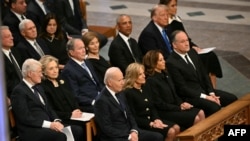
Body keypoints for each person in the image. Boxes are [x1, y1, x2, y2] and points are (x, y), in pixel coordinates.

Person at [166, 30, 238, 116]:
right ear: (174, 45)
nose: (187, 43)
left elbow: (204, 74)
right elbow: (183, 88)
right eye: (182, 41)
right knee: (215, 107)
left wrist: (212, 93)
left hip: (205, 91)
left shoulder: (192, 52)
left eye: (187, 40)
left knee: (233, 99)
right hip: (192, 96)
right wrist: (207, 97)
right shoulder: (171, 62)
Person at [10, 58, 84, 141]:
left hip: (48, 125)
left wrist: (57, 121)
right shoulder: (19, 91)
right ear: (30, 74)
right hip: (32, 129)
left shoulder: (38, 88)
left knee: (77, 130)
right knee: (60, 136)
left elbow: (49, 108)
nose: (41, 75)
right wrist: (50, 125)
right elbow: (25, 118)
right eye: (39, 72)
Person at [159, 0, 223, 88]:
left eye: (176, 5)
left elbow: (186, 38)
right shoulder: (165, 24)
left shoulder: (176, 20)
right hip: (179, 52)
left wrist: (194, 46)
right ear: (165, 7)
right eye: (172, 6)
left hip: (186, 48)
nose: (175, 8)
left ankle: (213, 88)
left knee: (210, 56)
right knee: (204, 58)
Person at [94, 67, 164, 141]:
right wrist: (129, 136)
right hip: (115, 137)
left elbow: (130, 115)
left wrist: (134, 130)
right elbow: (107, 128)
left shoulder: (120, 93)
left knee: (157, 137)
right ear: (110, 82)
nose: (123, 82)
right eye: (119, 80)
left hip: (129, 131)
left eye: (123, 79)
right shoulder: (101, 101)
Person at [142, 50, 205, 130]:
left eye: (163, 59)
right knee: (195, 118)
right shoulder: (151, 81)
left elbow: (174, 93)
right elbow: (159, 104)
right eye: (161, 60)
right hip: (165, 111)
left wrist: (181, 103)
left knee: (201, 112)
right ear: (153, 63)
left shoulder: (165, 74)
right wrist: (178, 108)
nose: (164, 62)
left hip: (175, 106)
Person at [123, 63, 180, 141]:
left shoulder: (145, 87)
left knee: (176, 127)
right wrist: (151, 123)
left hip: (152, 120)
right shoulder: (128, 93)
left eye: (143, 73)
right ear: (133, 76)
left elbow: (152, 106)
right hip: (143, 124)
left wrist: (156, 119)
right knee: (171, 131)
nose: (144, 76)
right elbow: (133, 117)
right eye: (140, 74)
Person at [61, 38, 103, 113]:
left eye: (84, 47)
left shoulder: (87, 62)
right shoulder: (68, 70)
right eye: (80, 48)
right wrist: (93, 101)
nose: (84, 50)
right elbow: (75, 95)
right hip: (88, 103)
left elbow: (97, 82)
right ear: (71, 52)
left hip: (100, 97)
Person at [1, 26, 24, 98]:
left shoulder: (16, 51)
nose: (12, 38)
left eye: (11, 35)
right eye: (8, 36)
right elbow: (5, 83)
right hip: (14, 93)